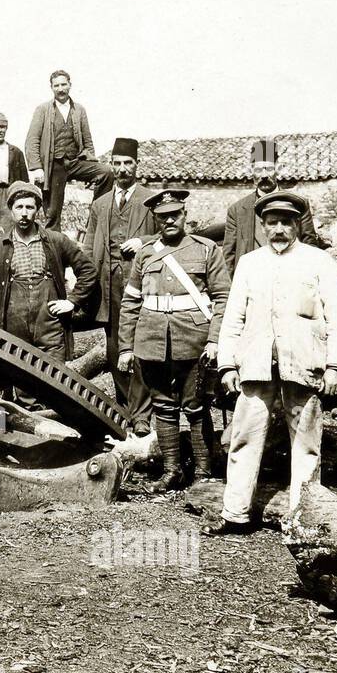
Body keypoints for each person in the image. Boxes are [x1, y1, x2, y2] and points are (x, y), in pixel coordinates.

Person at [211, 191, 337, 535]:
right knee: (244, 438)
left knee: (306, 444)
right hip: (257, 364)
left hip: (304, 364)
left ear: (297, 225)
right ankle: (235, 514)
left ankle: (303, 518)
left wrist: (336, 366)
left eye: (286, 222)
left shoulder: (318, 262)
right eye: (272, 223)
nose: (279, 229)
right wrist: (228, 364)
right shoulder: (250, 263)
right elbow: (234, 317)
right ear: (262, 226)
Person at [117, 190, 231, 488]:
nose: (169, 220)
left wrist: (215, 340)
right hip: (152, 341)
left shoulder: (206, 249)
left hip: (194, 341)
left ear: (184, 215)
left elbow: (223, 298)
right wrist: (126, 346)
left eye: (174, 214)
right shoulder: (145, 254)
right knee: (163, 406)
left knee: (195, 407)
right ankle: (172, 471)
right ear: (155, 218)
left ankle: (203, 475)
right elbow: (130, 301)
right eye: (163, 216)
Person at [0, 180, 98, 363]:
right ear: (11, 209)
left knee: (53, 381)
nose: (24, 213)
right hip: (14, 329)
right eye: (19, 207)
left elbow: (88, 270)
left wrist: (73, 301)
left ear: (38, 209)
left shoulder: (56, 241)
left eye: (30, 207)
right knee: (21, 382)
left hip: (51, 328)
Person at [83, 138, 159, 433]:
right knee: (115, 349)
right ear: (111, 166)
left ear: (137, 166)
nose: (123, 169)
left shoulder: (150, 200)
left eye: (128, 164)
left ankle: (140, 414)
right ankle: (122, 409)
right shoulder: (101, 205)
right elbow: (89, 246)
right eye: (117, 164)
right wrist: (86, 281)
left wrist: (144, 241)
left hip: (141, 287)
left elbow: (169, 236)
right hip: (109, 285)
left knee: (138, 349)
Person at [24, 70, 112, 231]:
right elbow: (32, 140)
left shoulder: (79, 110)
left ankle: (96, 214)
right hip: (54, 165)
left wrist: (90, 159)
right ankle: (53, 246)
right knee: (52, 213)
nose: (60, 89)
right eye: (56, 85)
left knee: (106, 172)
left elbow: (87, 139)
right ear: (51, 88)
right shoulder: (42, 109)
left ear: (70, 85)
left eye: (63, 84)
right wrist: (36, 167)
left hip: (75, 161)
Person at [222, 139, 320, 277]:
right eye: (258, 169)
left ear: (278, 169)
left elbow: (310, 247)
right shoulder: (237, 210)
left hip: (290, 276)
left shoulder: (299, 204)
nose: (263, 175)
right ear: (251, 171)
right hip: (252, 280)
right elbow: (228, 256)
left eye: (268, 169)